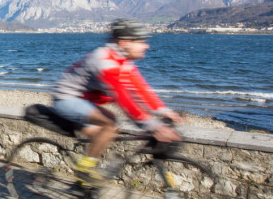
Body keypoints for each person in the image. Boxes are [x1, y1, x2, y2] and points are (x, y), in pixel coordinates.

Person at [51, 18, 184, 187]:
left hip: (85, 102)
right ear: (124, 42)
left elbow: (141, 89)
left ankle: (83, 188)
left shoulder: (123, 61)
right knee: (109, 124)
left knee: (108, 132)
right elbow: (123, 98)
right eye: (141, 41)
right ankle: (84, 171)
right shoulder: (104, 60)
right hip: (66, 98)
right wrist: (152, 125)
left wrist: (164, 111)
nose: (146, 46)